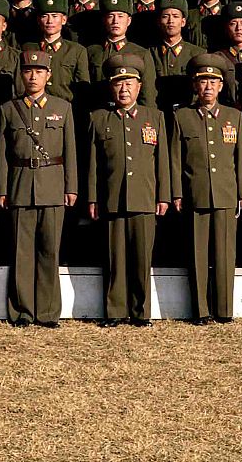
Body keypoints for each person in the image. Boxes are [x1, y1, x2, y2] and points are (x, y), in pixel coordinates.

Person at [86, 53, 171, 327]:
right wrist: (92, 197)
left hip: (145, 198)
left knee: (141, 257)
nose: (124, 89)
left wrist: (163, 196)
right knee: (115, 259)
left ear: (139, 87)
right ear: (111, 87)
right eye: (118, 83)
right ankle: (115, 311)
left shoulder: (154, 117)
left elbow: (163, 161)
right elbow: (92, 164)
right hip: (111, 197)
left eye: (129, 83)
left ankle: (140, 311)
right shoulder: (99, 118)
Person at [0, 49, 78, 328]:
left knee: (50, 250)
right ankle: (22, 311)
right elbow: (2, 154)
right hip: (19, 184)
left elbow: (70, 152)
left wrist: (72, 187)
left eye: (39, 71)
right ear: (22, 75)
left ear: (48, 76)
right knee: (21, 251)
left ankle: (48, 312)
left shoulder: (62, 107)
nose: (33, 76)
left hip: (53, 185)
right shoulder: (8, 109)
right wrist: (3, 189)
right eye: (28, 71)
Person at [169, 54, 242, 324]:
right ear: (195, 85)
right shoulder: (182, 117)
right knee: (197, 254)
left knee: (225, 254)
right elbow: (175, 159)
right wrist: (177, 192)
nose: (208, 87)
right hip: (196, 192)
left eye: (213, 82)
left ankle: (224, 309)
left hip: (226, 193)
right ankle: (201, 310)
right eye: (203, 82)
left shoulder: (233, 117)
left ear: (221, 86)